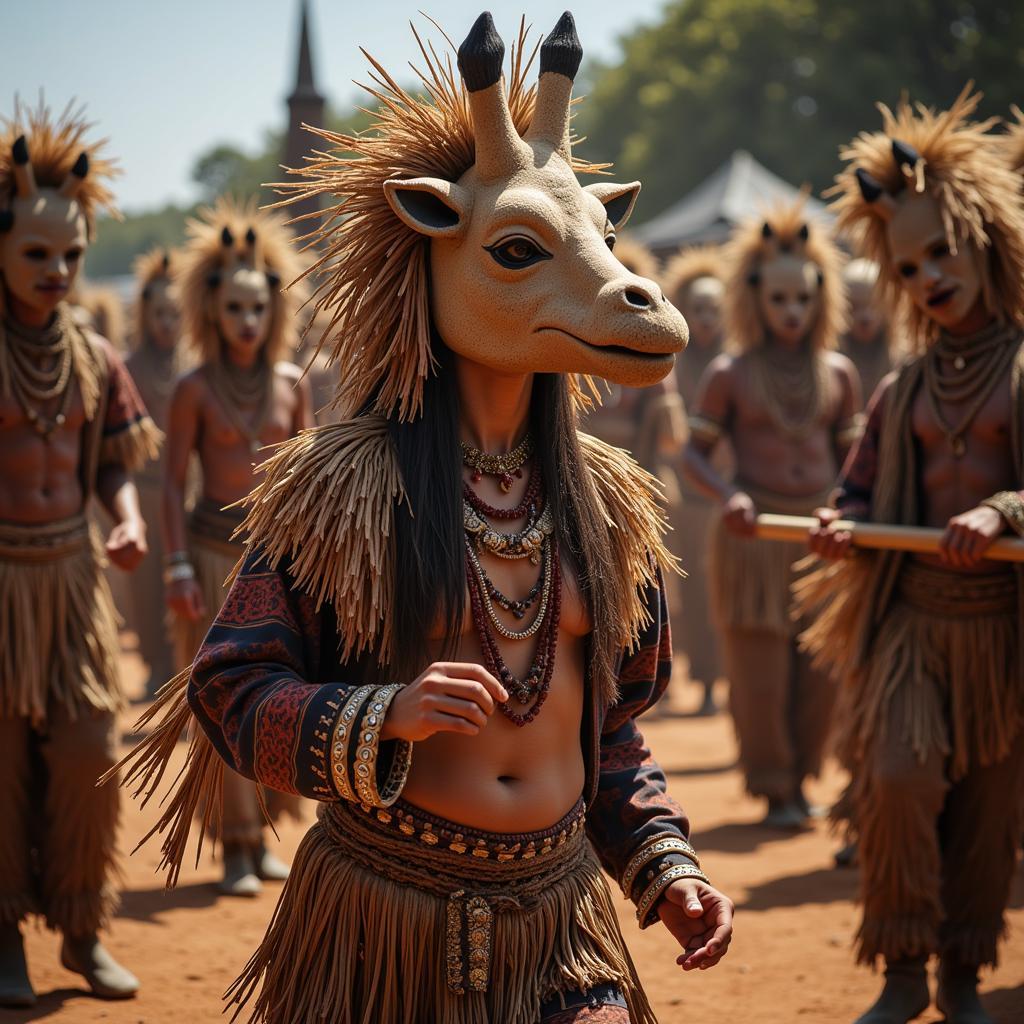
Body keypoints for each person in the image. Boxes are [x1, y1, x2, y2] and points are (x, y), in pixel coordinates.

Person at [116, 13, 733, 1023]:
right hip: (380, 928)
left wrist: (665, 866)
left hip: (559, 920)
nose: (621, 281)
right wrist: (380, 714)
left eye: (601, 240)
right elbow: (231, 690)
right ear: (434, 238)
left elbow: (610, 727)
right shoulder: (339, 491)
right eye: (524, 249)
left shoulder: (610, 507)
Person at [803, 86, 1024, 1024]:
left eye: (944, 252)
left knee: (986, 807)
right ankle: (900, 971)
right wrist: (839, 521)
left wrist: (1005, 511)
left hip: (1005, 638)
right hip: (911, 624)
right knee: (896, 778)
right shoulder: (901, 386)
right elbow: (856, 488)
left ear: (986, 242)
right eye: (911, 264)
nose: (930, 274)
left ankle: (962, 977)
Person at [0, 101, 160, 1005]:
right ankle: (2, 940)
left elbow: (110, 464)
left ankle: (84, 928)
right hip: (0, 582)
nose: (59, 270)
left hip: (73, 581)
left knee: (89, 749)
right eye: (36, 254)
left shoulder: (97, 354)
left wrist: (128, 518)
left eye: (71, 253)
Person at [682, 198, 861, 828]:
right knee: (759, 674)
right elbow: (692, 455)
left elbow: (855, 464)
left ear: (820, 298)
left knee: (821, 673)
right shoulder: (730, 373)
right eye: (779, 299)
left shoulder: (838, 373)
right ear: (753, 298)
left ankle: (804, 777)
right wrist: (728, 495)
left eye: (803, 299)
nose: (792, 312)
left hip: (820, 543)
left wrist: (845, 508)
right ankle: (774, 785)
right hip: (751, 539)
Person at [162, 196, 313, 897]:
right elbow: (170, 485)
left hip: (277, 564)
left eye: (259, 309)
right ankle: (232, 846)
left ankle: (260, 835)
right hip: (210, 554)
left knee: (278, 696)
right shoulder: (192, 389)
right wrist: (178, 564)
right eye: (235, 311)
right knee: (221, 704)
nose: (248, 323)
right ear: (212, 313)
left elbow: (309, 479)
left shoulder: (292, 385)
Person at [663, 245, 728, 714]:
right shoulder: (667, 363)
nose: (706, 319)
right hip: (674, 497)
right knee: (676, 593)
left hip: (723, 499)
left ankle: (712, 682)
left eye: (714, 310)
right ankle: (670, 681)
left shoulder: (736, 367)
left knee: (713, 594)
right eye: (698, 310)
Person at [124, 248, 186, 695]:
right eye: (160, 314)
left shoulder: (194, 369)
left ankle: (185, 665)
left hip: (186, 493)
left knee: (185, 582)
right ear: (145, 315)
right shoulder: (129, 370)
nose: (168, 323)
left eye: (175, 313)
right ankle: (154, 665)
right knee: (145, 588)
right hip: (144, 493)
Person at [840, 257, 895, 404]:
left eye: (874, 305)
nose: (865, 317)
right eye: (854, 307)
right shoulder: (833, 362)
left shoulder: (901, 360)